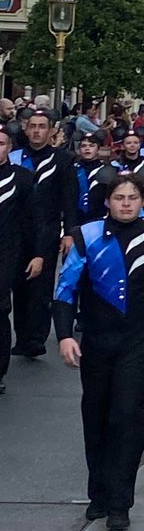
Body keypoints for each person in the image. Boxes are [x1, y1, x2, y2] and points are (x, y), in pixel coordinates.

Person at [53, 174, 144, 531]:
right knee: (96, 416)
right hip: (96, 340)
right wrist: (64, 336)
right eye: (119, 197)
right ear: (107, 202)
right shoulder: (86, 236)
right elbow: (65, 290)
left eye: (132, 197)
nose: (125, 203)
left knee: (127, 415)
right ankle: (99, 493)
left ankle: (121, 500)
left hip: (139, 343)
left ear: (142, 202)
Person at [10, 111, 78, 359]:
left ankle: (36, 338)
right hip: (17, 230)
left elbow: (70, 200)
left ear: (51, 131)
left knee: (40, 285)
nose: (37, 131)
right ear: (25, 130)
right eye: (32, 126)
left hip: (47, 229)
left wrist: (69, 233)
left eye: (42, 127)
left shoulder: (62, 160)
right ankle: (22, 335)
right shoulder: (15, 158)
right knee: (18, 284)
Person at [0, 126, 49, 394]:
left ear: (9, 148)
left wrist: (39, 254)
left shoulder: (23, 178)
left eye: (1, 143)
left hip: (8, 251)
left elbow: (37, 220)